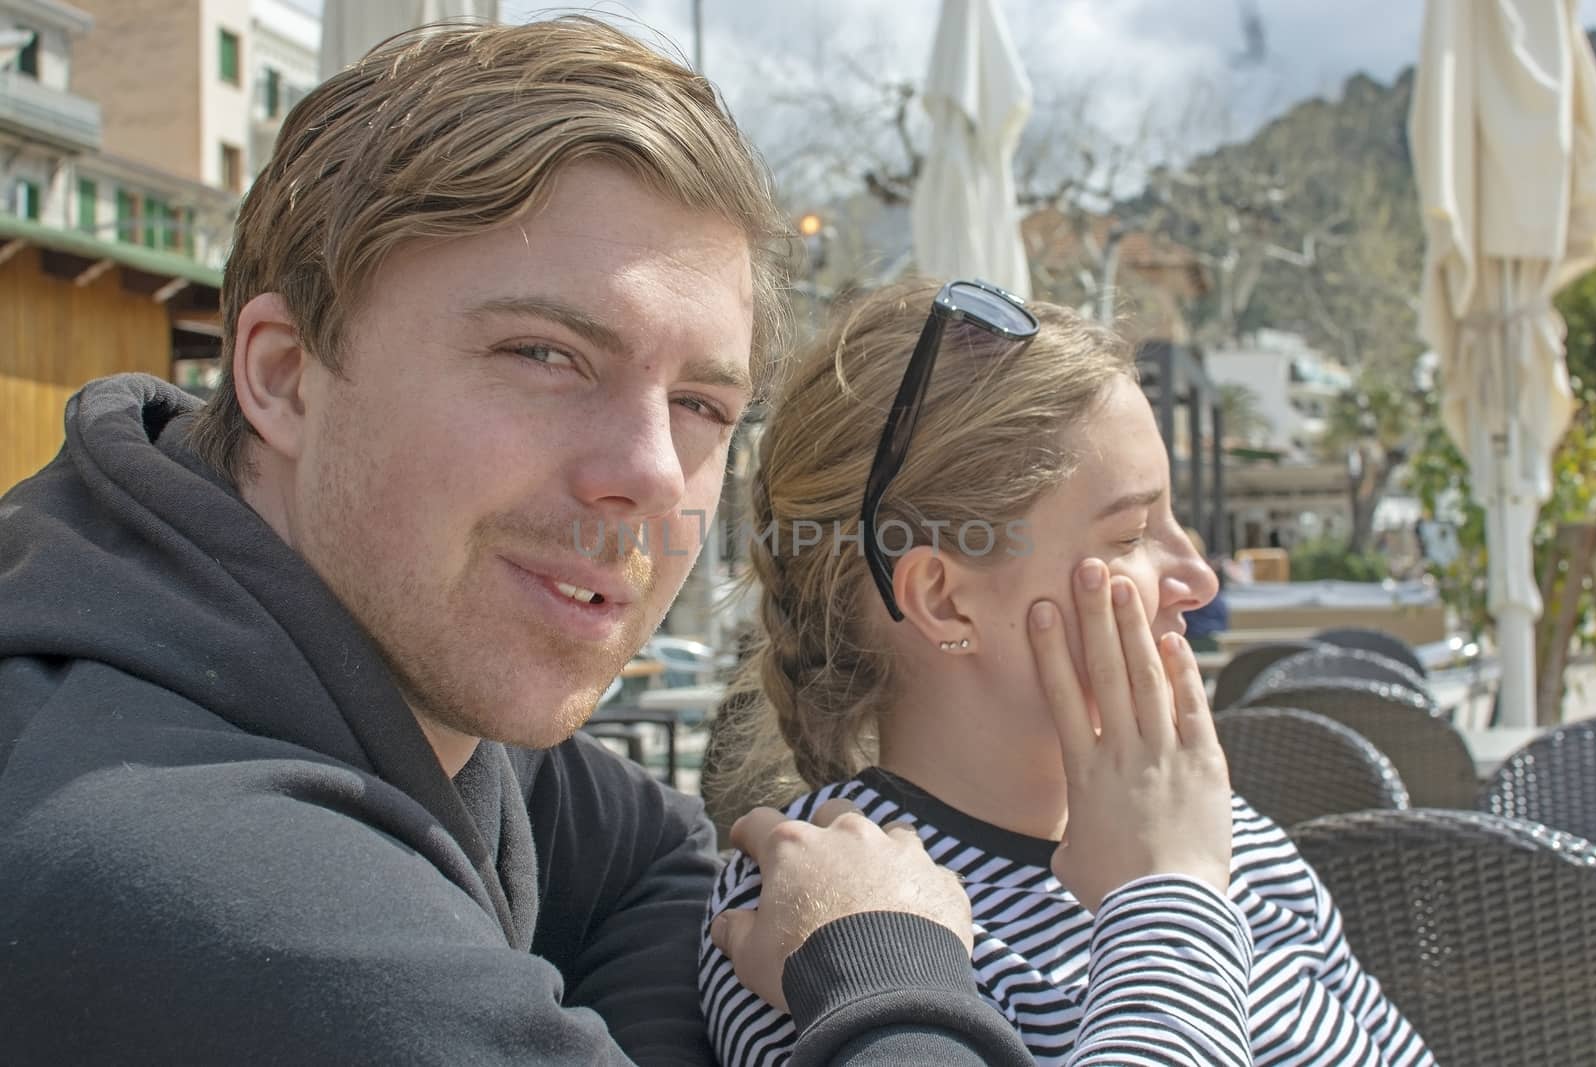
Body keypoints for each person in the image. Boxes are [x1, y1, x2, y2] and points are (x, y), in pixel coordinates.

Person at [0, 21, 1037, 1065]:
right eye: (543, 353)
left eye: (701, 404)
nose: (650, 473)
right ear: (280, 374)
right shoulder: (199, 875)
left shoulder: (358, 663)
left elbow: (661, 851)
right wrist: (891, 976)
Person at [700, 280, 1435, 1066]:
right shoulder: (819, 908)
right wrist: (1166, 897)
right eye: (1130, 534)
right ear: (945, 600)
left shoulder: (1222, 833)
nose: (1199, 577)